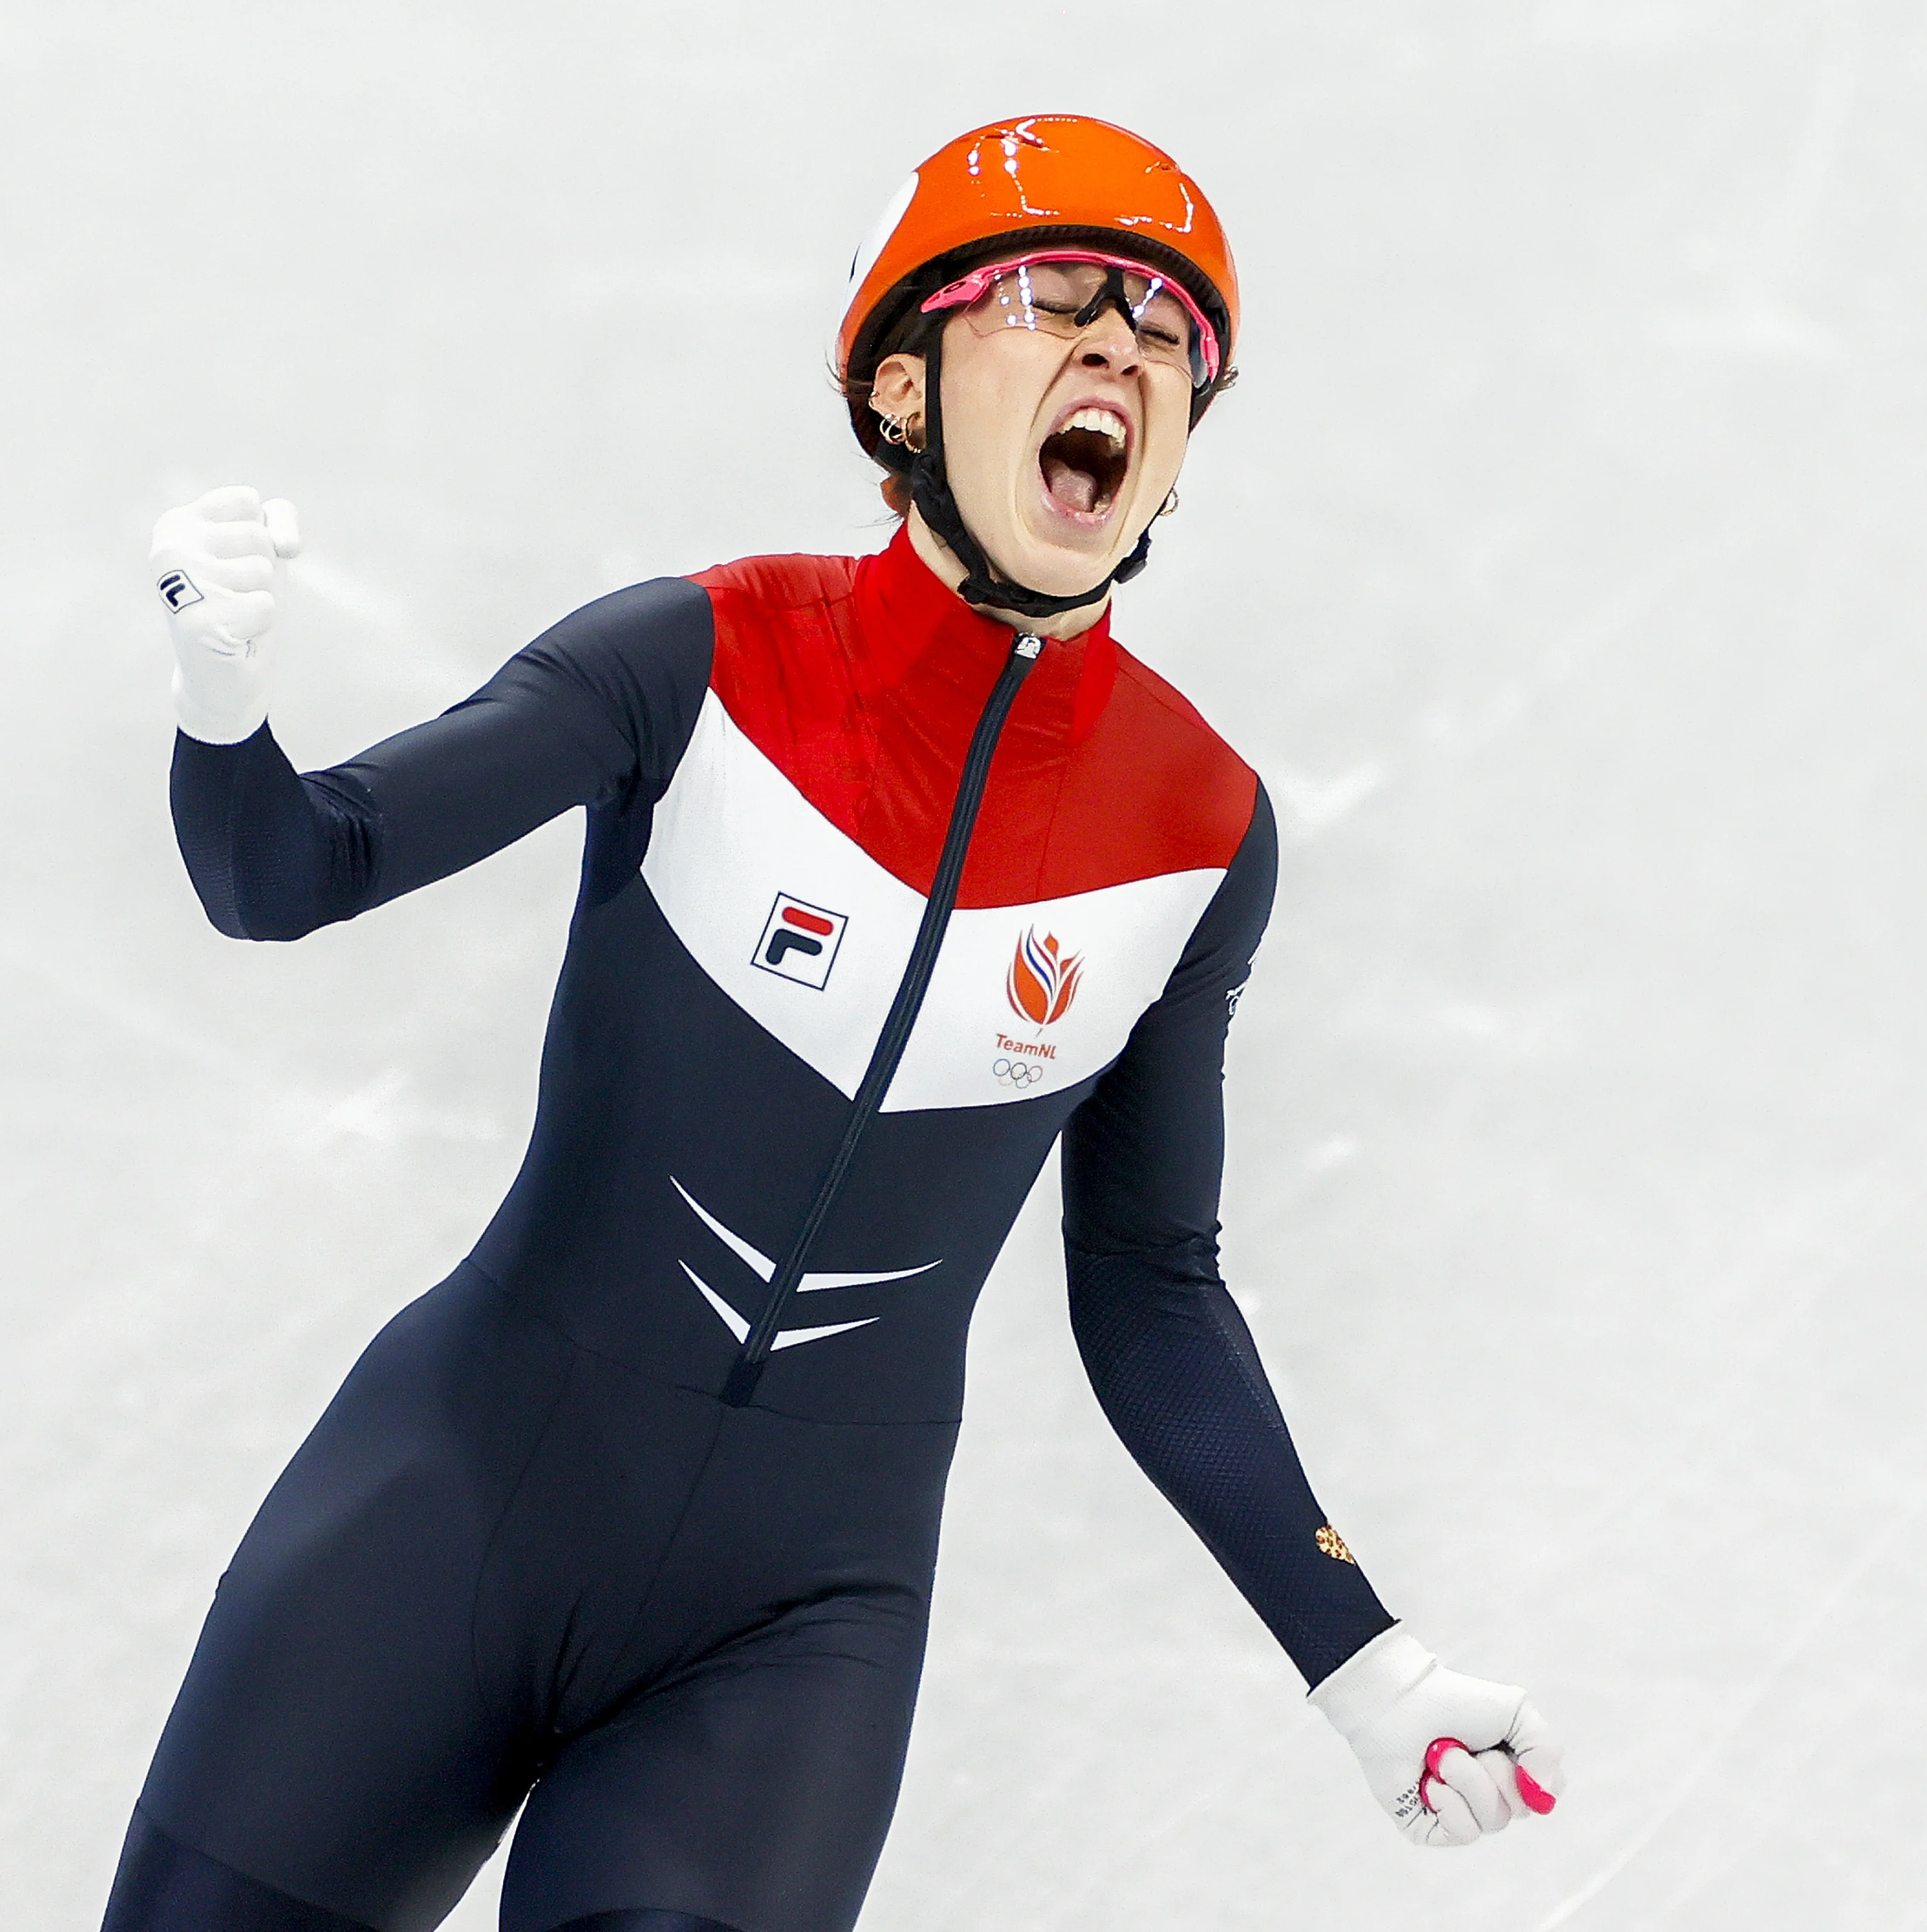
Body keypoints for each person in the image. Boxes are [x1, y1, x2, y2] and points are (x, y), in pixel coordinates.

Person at [105, 115, 1563, 1932]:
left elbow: (1149, 1282)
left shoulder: (1196, 832)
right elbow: (287, 870)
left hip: (791, 1640)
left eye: (1166, 333)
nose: (1118, 348)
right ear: (900, 386)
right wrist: (223, 703)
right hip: (450, 1517)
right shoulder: (697, 661)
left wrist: (1367, 1661)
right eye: (1053, 298)